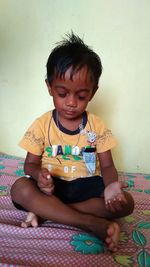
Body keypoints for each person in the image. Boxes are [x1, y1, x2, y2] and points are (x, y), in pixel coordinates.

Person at [11, 32, 134, 252]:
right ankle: (89, 222)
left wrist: (111, 187)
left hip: (85, 184)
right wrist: (39, 176)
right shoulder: (41, 124)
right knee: (19, 188)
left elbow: (106, 165)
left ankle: (49, 211)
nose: (70, 103)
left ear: (93, 93)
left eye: (81, 96)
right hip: (52, 189)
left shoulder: (97, 125)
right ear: (49, 87)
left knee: (126, 203)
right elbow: (30, 164)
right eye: (62, 93)